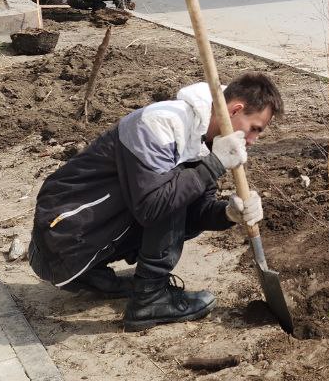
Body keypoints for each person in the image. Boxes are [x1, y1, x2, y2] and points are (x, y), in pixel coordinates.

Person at [28, 72, 282, 330]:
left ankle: (94, 275)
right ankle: (149, 300)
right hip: (61, 240)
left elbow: (195, 214)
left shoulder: (204, 139)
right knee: (172, 192)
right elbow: (154, 207)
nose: (252, 141)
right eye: (254, 129)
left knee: (180, 189)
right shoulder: (159, 125)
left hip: (82, 242)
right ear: (236, 110)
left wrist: (229, 213)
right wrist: (213, 166)